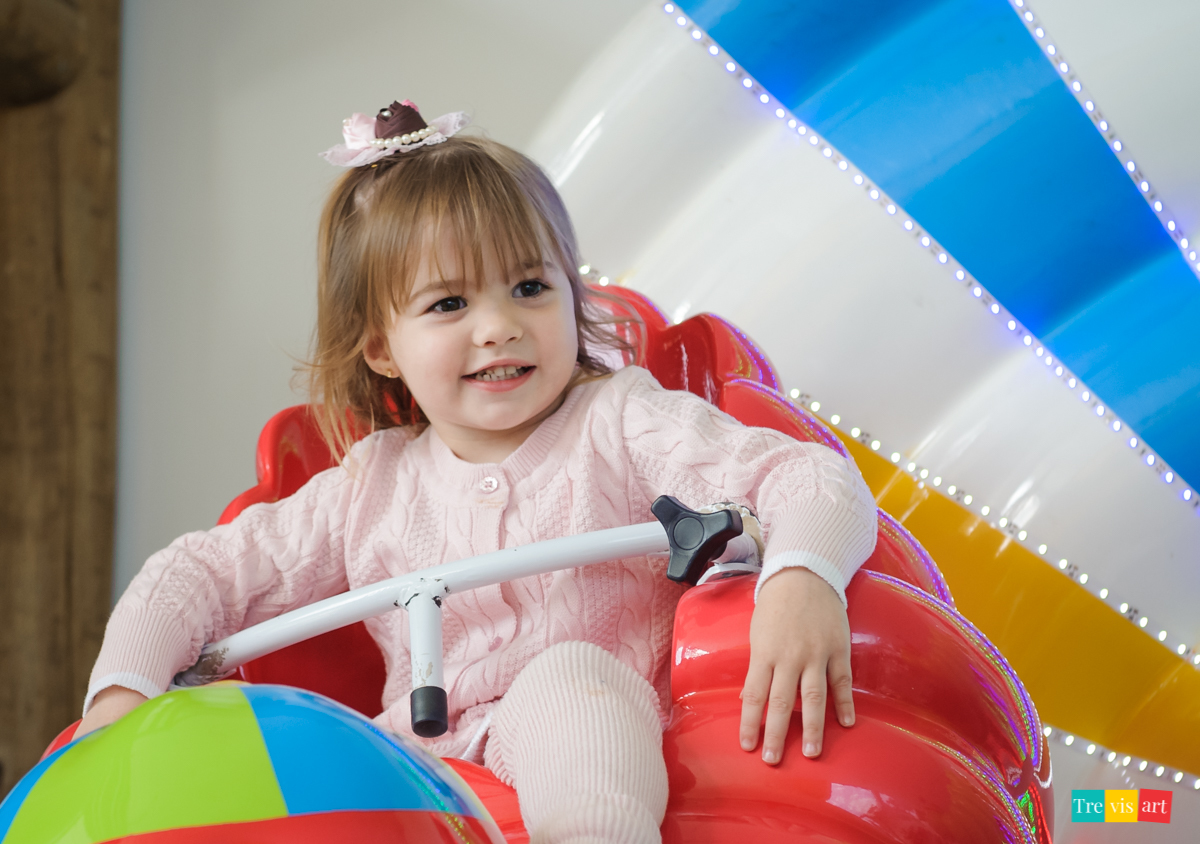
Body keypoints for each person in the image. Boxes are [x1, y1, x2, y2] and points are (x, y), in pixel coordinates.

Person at [79, 101, 878, 843]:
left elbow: (807, 478)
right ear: (382, 348)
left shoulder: (621, 420)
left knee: (568, 682)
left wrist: (803, 575)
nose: (499, 326)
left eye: (530, 287)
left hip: (594, 736)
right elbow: (196, 572)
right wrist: (120, 698)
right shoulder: (370, 487)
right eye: (448, 304)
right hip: (411, 778)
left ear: (572, 297)